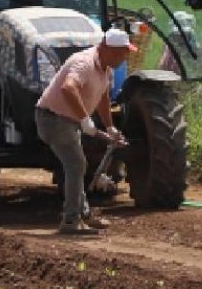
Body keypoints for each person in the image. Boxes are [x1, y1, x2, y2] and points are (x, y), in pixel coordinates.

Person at [35, 27, 133, 235]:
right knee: (76, 164)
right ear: (107, 48)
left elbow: (103, 98)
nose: (123, 58)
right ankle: (71, 221)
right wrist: (85, 120)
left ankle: (83, 214)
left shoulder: (106, 68)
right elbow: (68, 88)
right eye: (121, 53)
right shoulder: (84, 62)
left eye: (125, 53)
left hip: (68, 120)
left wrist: (109, 127)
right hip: (52, 118)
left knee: (77, 165)